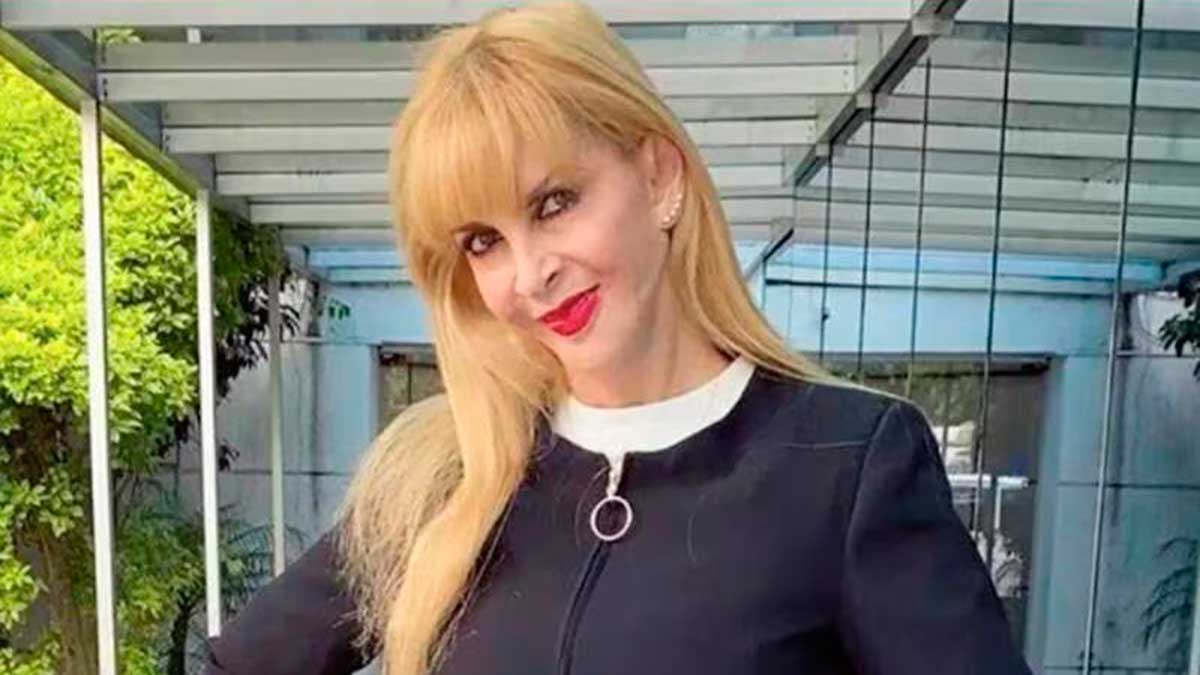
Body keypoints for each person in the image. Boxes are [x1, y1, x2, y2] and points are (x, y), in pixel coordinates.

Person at [205, 2, 1033, 674]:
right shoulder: (442, 475)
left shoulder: (848, 465)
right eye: (484, 241)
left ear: (659, 177)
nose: (530, 274)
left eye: (554, 203)